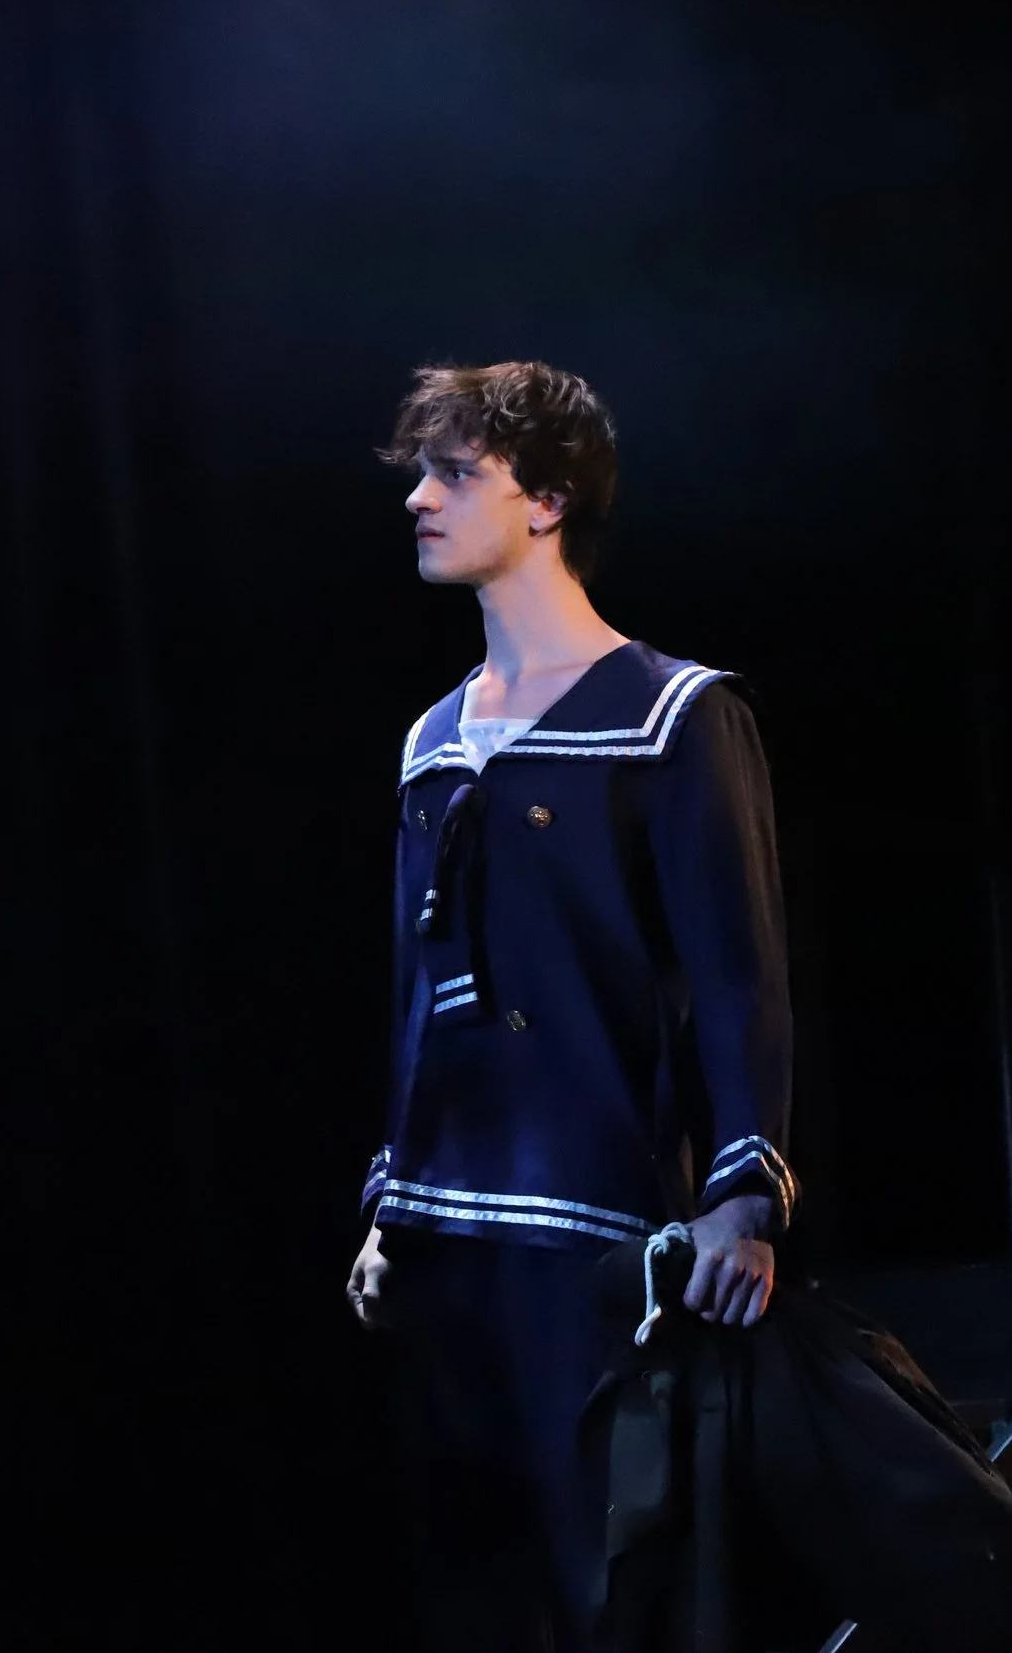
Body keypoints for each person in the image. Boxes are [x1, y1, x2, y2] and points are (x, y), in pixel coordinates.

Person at [346, 362, 797, 1651]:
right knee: (474, 1582)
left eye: (455, 473)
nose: (420, 499)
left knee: (603, 1564)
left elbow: (737, 970)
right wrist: (389, 1194)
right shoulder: (433, 737)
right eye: (422, 474)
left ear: (545, 498)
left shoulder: (670, 713)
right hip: (444, 1223)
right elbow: (416, 989)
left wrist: (743, 1190)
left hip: (589, 1213)